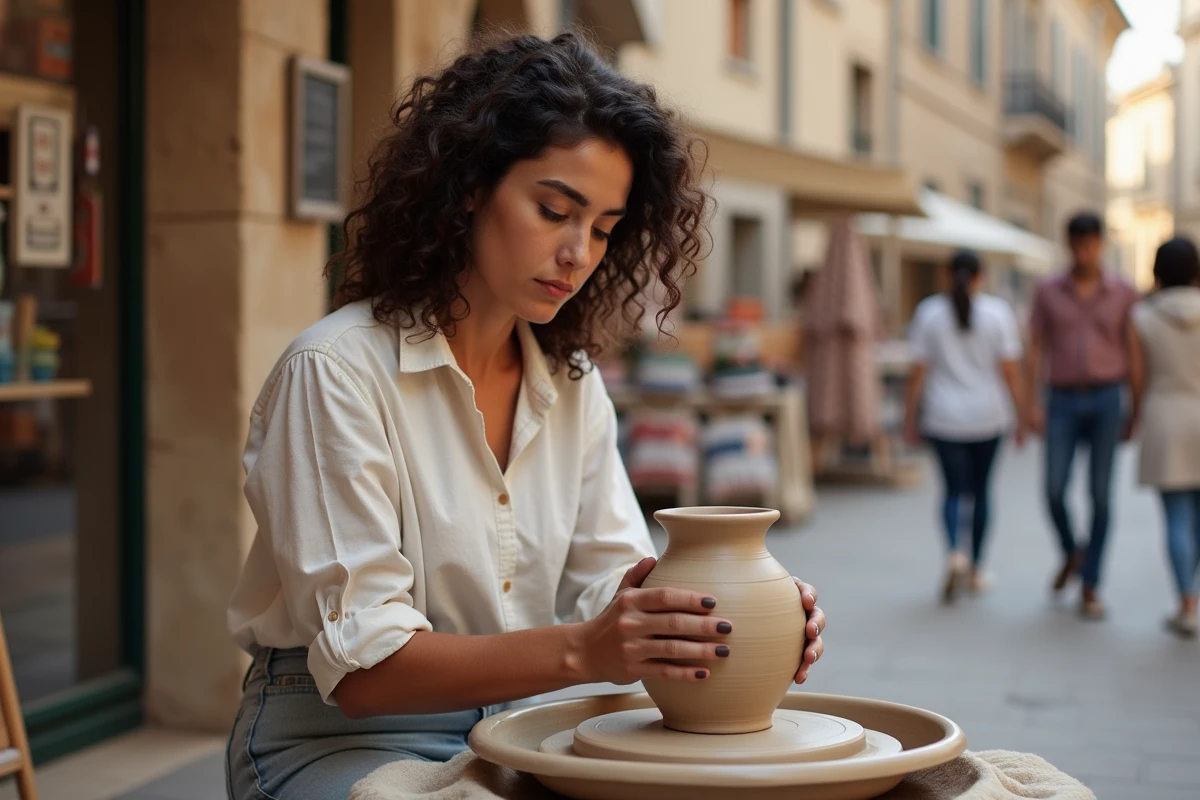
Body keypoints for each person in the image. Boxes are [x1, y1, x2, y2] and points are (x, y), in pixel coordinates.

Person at [223, 33, 827, 800]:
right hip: (340, 739)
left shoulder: (572, 385)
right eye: (554, 210)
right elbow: (363, 674)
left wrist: (720, 613)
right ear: (470, 185)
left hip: (527, 727)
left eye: (605, 229)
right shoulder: (335, 373)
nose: (579, 252)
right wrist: (585, 652)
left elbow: (607, 585)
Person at [1025, 212, 1142, 619]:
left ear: (1100, 244)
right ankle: (1073, 552)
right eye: (1076, 244)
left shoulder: (1124, 292)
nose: (1083, 252)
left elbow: (1133, 351)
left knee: (1101, 495)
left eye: (1090, 244)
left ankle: (1091, 584)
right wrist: (1029, 405)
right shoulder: (1047, 290)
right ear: (1068, 244)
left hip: (1108, 398)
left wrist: (1135, 407)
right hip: (1061, 399)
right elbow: (1034, 347)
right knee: (1054, 488)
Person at [904, 251, 1025, 603]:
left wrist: (909, 419)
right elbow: (1011, 371)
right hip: (988, 416)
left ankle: (955, 551)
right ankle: (975, 567)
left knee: (953, 491)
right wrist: (1021, 416)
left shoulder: (928, 313)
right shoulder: (998, 313)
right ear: (980, 276)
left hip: (943, 417)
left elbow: (917, 375)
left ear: (946, 275)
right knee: (982, 491)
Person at [1132, 237, 1200, 638]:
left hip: (1164, 416)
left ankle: (1185, 601)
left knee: (1176, 517)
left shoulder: (1141, 316)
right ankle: (1190, 594)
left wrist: (1133, 419)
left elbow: (1138, 380)